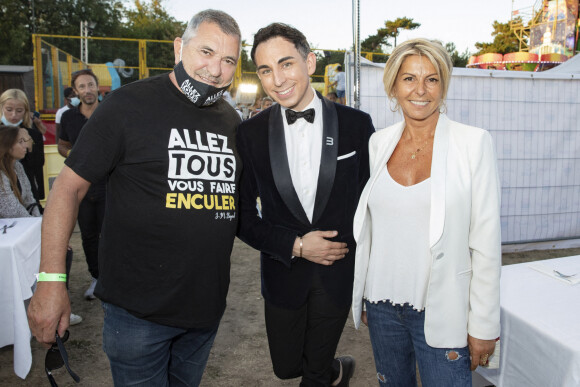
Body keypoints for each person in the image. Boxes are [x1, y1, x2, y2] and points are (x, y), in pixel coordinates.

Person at [28, 9, 242, 386]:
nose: (215, 69)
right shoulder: (127, 105)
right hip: (138, 316)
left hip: (204, 312)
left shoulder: (230, 120)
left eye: (228, 60)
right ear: (179, 48)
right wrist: (50, 280)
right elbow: (67, 187)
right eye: (206, 52)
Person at [351, 38, 501, 386]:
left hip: (443, 311)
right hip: (381, 306)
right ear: (393, 86)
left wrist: (483, 326)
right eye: (409, 79)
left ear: (443, 86)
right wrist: (361, 293)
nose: (420, 89)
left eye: (431, 79)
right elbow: (374, 229)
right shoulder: (378, 143)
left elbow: (486, 242)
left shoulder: (473, 143)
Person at [237, 23, 375, 387]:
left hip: (337, 271)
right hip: (283, 271)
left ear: (309, 62)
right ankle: (336, 371)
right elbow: (242, 217)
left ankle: (322, 372)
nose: (277, 79)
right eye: (265, 70)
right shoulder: (249, 134)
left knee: (311, 375)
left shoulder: (357, 126)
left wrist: (370, 274)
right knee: (286, 367)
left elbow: (373, 206)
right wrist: (296, 245)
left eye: (286, 64)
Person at [58, 69, 105, 300]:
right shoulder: (68, 117)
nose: (88, 90)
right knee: (88, 234)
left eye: (91, 85)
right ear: (75, 91)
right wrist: (73, 154)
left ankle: (113, 278)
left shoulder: (110, 112)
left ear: (98, 87)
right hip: (82, 187)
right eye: (82, 87)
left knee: (112, 232)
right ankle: (96, 278)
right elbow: (62, 145)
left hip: (110, 185)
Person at [0, 89, 45, 204]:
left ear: (25, 111)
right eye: (9, 110)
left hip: (27, 191)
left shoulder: (33, 134)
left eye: (19, 110)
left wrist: (28, 142)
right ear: (1, 108)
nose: (13, 115)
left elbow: (38, 164)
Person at [0, 125, 40, 217]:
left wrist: (37, 220)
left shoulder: (18, 166)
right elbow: (11, 210)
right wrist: (33, 223)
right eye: (20, 142)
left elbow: (29, 200)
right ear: (6, 145)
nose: (26, 145)